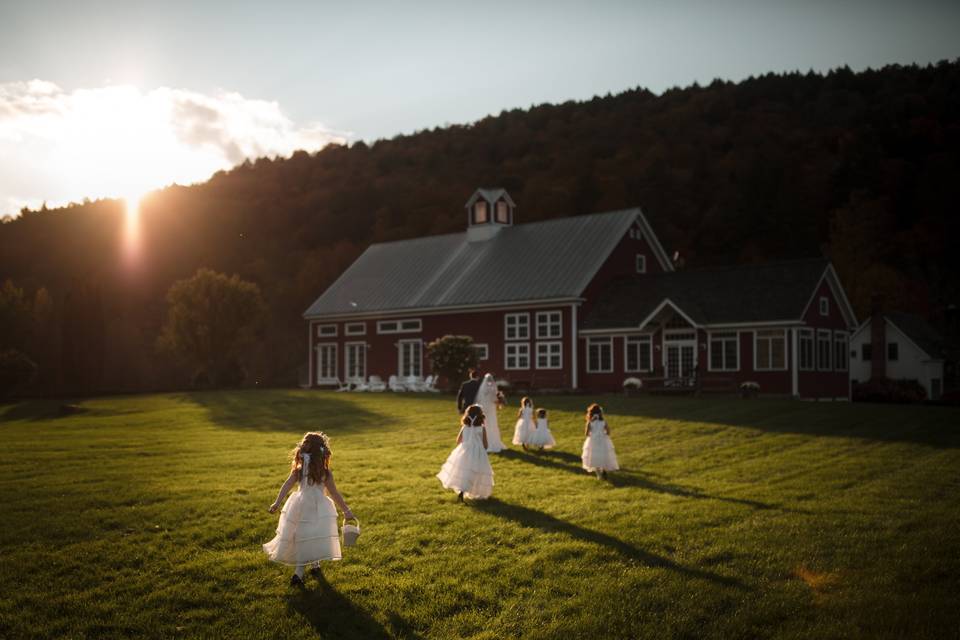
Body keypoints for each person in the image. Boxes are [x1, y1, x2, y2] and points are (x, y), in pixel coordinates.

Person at [263, 431, 355, 587]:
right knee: (313, 533)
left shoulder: (300, 470)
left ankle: (314, 564)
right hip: (318, 506)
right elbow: (334, 493)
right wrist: (346, 511)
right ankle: (299, 573)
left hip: (300, 503)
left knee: (304, 535)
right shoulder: (325, 472)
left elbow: (287, 485)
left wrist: (277, 503)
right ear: (322, 452)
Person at [437, 404, 494, 501]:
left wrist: (466, 442)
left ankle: (462, 491)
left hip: (464, 451)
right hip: (478, 452)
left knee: (464, 470)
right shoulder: (482, 428)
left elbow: (458, 440)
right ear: (480, 416)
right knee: (475, 471)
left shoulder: (464, 427)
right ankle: (471, 489)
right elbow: (485, 445)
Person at [581, 403, 619, 479]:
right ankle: (604, 469)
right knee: (604, 454)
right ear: (600, 413)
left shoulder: (590, 423)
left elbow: (587, 434)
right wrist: (603, 433)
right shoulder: (603, 422)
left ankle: (599, 475)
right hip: (603, 440)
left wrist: (593, 433)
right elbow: (608, 432)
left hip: (593, 441)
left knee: (594, 456)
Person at [474, 373, 507, 452]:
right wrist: (500, 400)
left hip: (484, 408)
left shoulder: (482, 389)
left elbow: (479, 399)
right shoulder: (492, 389)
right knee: (491, 424)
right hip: (491, 409)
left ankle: (482, 442)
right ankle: (492, 442)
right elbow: (494, 400)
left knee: (484, 424)